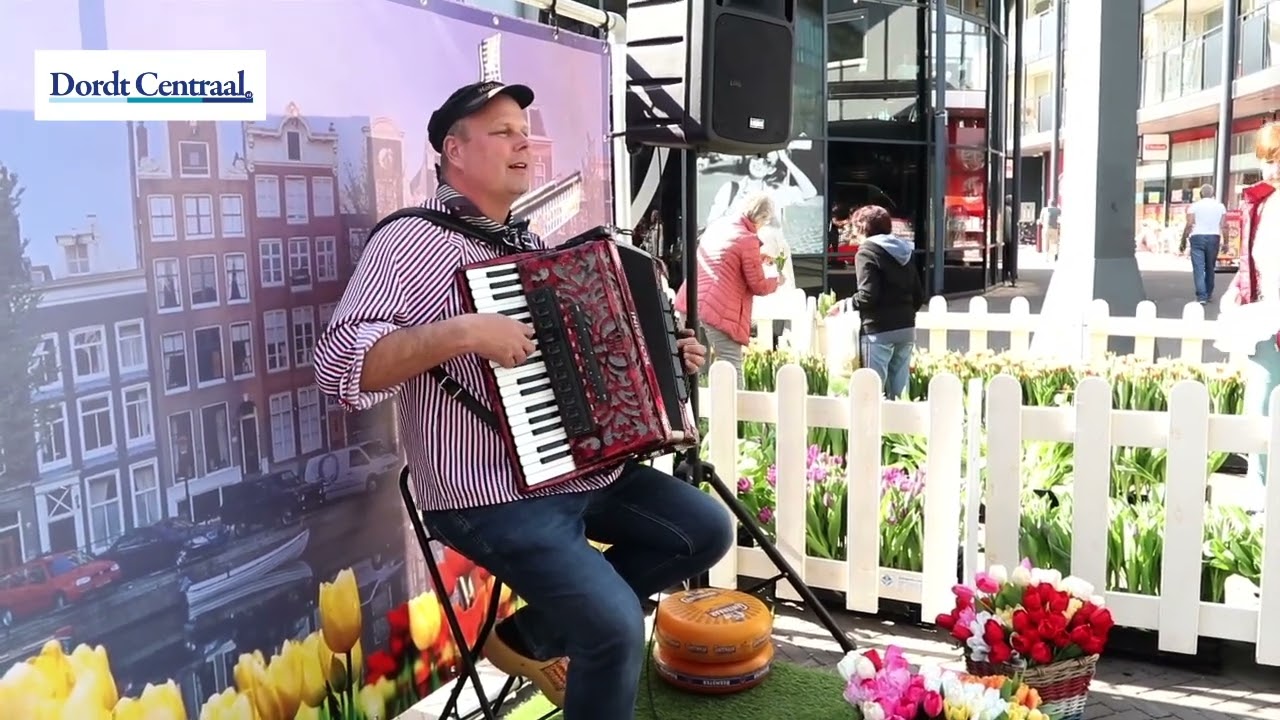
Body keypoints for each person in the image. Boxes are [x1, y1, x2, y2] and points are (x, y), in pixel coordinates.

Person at [313, 81, 733, 719]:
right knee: (615, 627)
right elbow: (340, 367)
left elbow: (600, 365)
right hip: (487, 495)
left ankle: (528, 637)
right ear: (454, 150)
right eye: (503, 131)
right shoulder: (408, 243)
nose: (523, 142)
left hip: (580, 473)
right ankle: (577, 633)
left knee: (705, 529)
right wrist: (464, 330)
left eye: (524, 130)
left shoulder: (532, 250)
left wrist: (667, 361)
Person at [1216, 121, 1280, 492]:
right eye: (1270, 159)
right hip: (1264, 318)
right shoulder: (1259, 204)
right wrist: (1237, 291)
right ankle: (1260, 499)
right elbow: (1251, 260)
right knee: (1260, 407)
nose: (1275, 168)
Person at [674, 191, 781, 386]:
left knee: (694, 366)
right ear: (762, 218)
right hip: (719, 308)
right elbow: (758, 284)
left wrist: (756, 258)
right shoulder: (747, 239)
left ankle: (696, 414)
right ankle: (735, 415)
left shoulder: (719, 226)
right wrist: (776, 280)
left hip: (690, 300)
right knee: (731, 365)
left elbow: (725, 261)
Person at [829, 205, 924, 399]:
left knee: (874, 395)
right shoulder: (905, 252)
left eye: (854, 228)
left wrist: (844, 305)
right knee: (900, 395)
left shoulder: (866, 252)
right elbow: (918, 294)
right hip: (906, 328)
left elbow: (868, 295)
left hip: (878, 330)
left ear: (862, 228)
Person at [1181, 183, 1228, 305]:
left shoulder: (1194, 206)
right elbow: (1224, 226)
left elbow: (1190, 224)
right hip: (1214, 237)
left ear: (1200, 194)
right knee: (1210, 268)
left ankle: (1202, 296)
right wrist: (1226, 242)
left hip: (1197, 237)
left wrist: (1183, 239)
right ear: (1212, 194)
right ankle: (1209, 294)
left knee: (1198, 268)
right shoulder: (1220, 206)